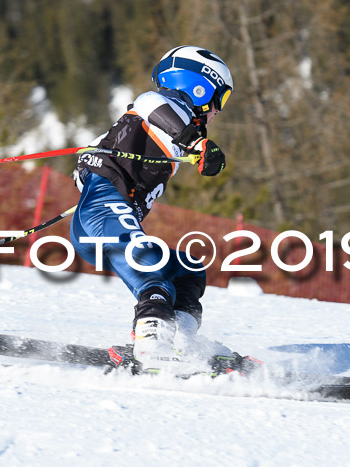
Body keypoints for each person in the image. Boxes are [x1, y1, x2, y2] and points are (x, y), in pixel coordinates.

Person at [70, 45, 233, 372]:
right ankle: (152, 339)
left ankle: (183, 339)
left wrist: (87, 166)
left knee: (188, 267)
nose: (218, 111)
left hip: (105, 223)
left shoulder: (173, 134)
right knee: (147, 262)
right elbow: (148, 102)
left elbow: (86, 163)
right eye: (221, 99)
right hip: (103, 209)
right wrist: (194, 142)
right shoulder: (171, 107)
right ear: (199, 87)